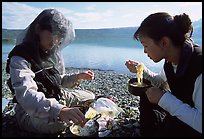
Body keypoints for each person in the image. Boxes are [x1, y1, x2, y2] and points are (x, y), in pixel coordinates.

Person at [6, 9, 96, 135]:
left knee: (91, 97)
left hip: (56, 96)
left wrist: (77, 76)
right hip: (29, 110)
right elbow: (26, 95)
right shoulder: (20, 57)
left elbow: (57, 80)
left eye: (60, 36)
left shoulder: (49, 53)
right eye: (54, 34)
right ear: (38, 29)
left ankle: (68, 111)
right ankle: (66, 112)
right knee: (58, 124)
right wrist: (60, 110)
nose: (56, 40)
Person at [125, 12, 202, 137]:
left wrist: (164, 99)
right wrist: (141, 69)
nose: (144, 51)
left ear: (164, 43)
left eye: (146, 45)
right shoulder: (171, 60)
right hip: (185, 111)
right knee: (147, 91)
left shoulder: (198, 66)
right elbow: (160, 82)